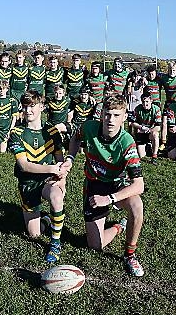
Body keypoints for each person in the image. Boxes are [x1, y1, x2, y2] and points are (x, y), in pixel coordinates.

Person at [62, 95, 145, 277]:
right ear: (101, 115)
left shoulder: (127, 142)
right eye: (107, 114)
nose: (111, 120)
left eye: (116, 115)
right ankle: (118, 227)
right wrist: (70, 158)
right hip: (93, 186)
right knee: (94, 246)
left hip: (116, 186)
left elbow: (139, 185)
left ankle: (130, 255)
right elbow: (76, 137)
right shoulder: (90, 127)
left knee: (137, 206)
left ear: (124, 117)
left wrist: (109, 199)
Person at [8, 90, 67, 263]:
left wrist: (62, 178)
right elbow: (24, 165)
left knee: (56, 197)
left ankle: (55, 243)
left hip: (48, 180)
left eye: (32, 106)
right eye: (25, 107)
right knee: (34, 234)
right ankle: (47, 219)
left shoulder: (52, 132)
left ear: (41, 107)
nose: (28, 110)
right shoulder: (16, 133)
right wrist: (52, 168)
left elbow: (60, 160)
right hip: (28, 183)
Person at [130, 92, 161, 164]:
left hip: (151, 132)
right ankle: (148, 146)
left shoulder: (156, 109)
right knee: (141, 156)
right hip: (141, 132)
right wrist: (141, 127)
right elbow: (132, 123)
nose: (145, 104)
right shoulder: (137, 108)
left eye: (147, 101)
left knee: (155, 134)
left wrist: (149, 130)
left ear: (151, 101)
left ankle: (154, 156)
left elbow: (158, 127)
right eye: (143, 102)